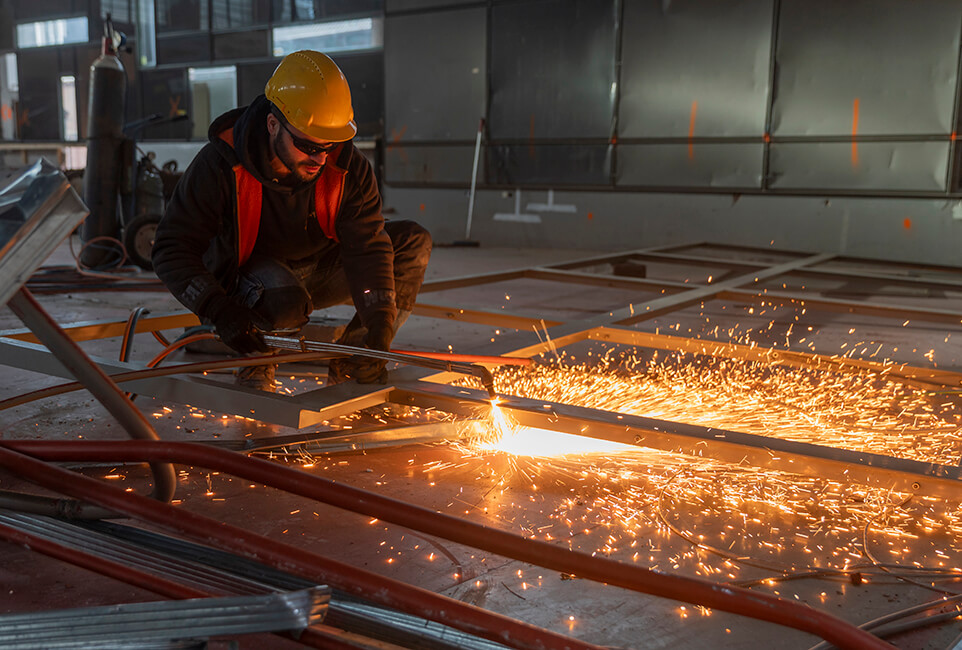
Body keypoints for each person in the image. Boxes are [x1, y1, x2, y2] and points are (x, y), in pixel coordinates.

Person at [152, 50, 432, 392]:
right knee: (285, 301)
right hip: (254, 288)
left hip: (319, 271)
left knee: (412, 243)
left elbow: (369, 249)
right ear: (273, 125)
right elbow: (170, 248)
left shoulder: (347, 168)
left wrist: (379, 320)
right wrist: (218, 308)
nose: (319, 158)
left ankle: (357, 361)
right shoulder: (220, 166)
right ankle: (257, 366)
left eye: (328, 146)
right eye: (306, 145)